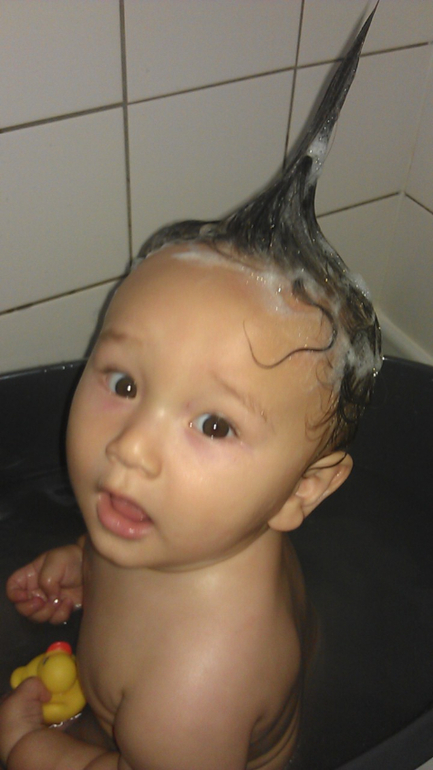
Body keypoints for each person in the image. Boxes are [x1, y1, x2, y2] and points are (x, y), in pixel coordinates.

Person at [0, 10, 381, 770]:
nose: (130, 446)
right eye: (124, 382)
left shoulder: (196, 689)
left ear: (300, 491)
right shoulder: (186, 520)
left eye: (214, 425)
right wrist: (86, 559)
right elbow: (161, 548)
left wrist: (31, 752)